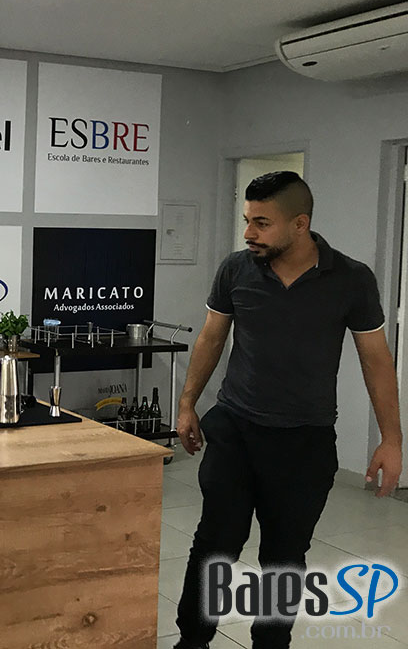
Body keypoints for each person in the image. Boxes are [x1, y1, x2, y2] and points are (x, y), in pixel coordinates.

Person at [172, 171, 402, 649]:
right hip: (235, 429)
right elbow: (212, 336)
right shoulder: (236, 269)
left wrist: (392, 438)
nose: (248, 233)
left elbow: (376, 360)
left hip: (305, 440)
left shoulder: (351, 279)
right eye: (247, 220)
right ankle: (192, 641)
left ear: (300, 224)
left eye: (261, 223)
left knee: (284, 557)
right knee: (215, 543)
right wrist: (188, 402)